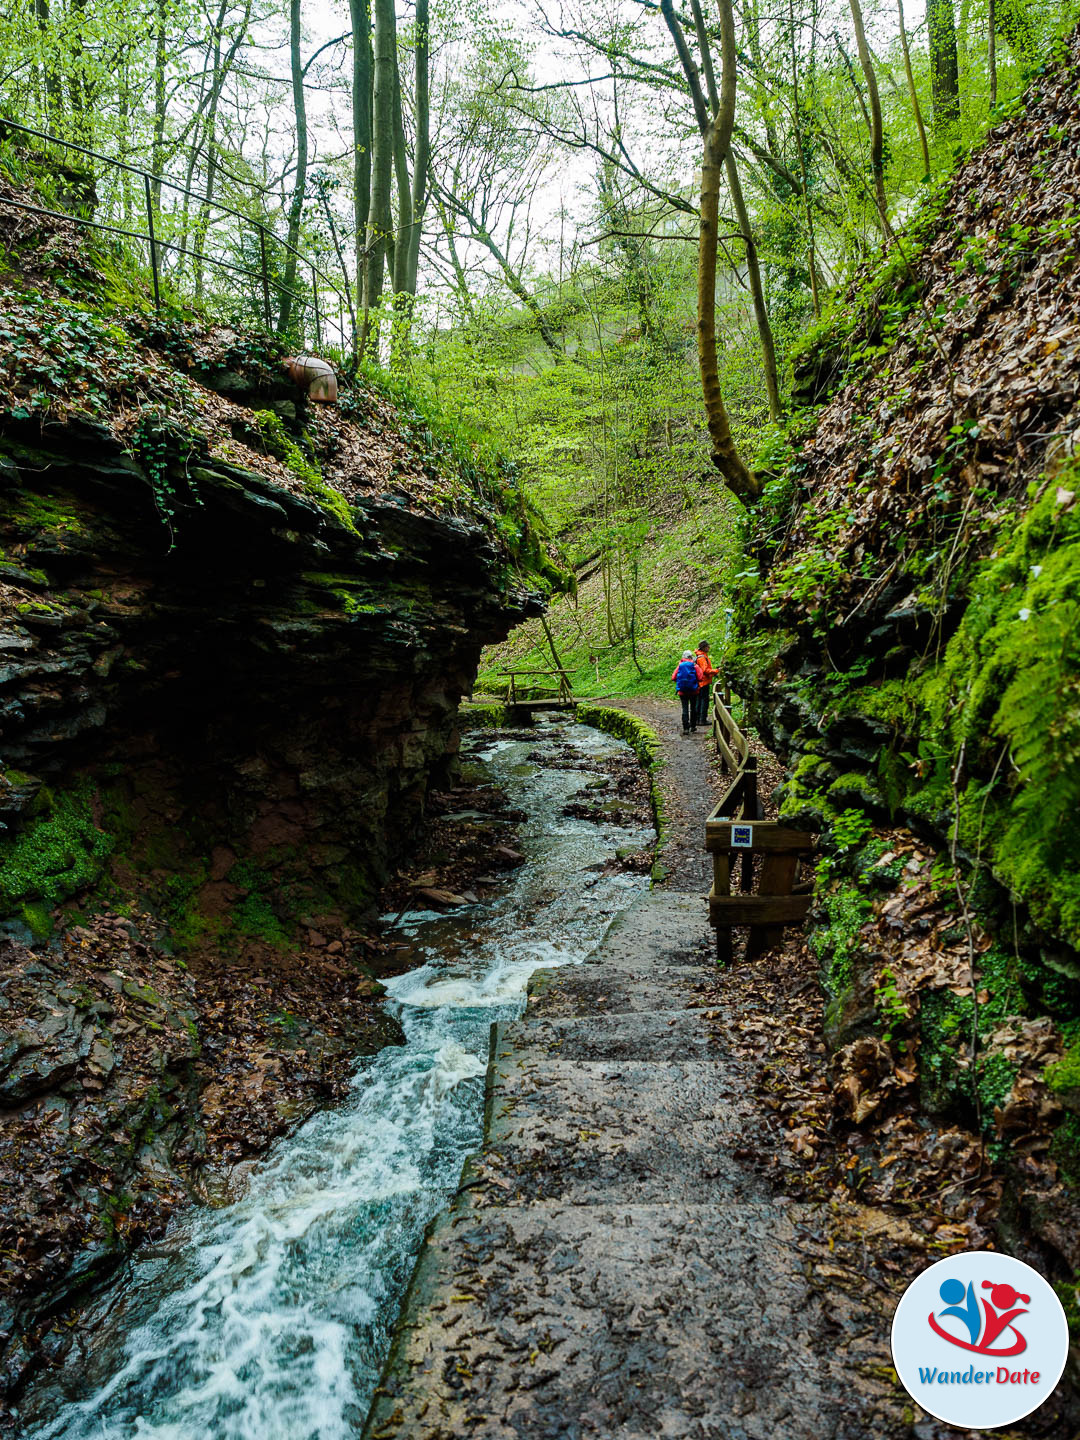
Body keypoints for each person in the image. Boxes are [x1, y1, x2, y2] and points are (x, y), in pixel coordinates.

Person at [672, 650, 703, 735]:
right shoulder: (694, 666)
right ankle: (693, 726)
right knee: (693, 708)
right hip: (694, 691)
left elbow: (673, 677)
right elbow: (700, 677)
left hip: (682, 691)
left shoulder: (680, 666)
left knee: (684, 709)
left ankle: (686, 728)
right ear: (690, 657)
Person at [694, 641, 718, 730]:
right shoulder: (702, 657)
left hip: (701, 682)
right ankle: (702, 719)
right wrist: (716, 671)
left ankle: (697, 719)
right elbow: (705, 670)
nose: (709, 648)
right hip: (703, 682)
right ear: (704, 647)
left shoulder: (700, 656)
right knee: (703, 701)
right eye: (708, 646)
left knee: (699, 700)